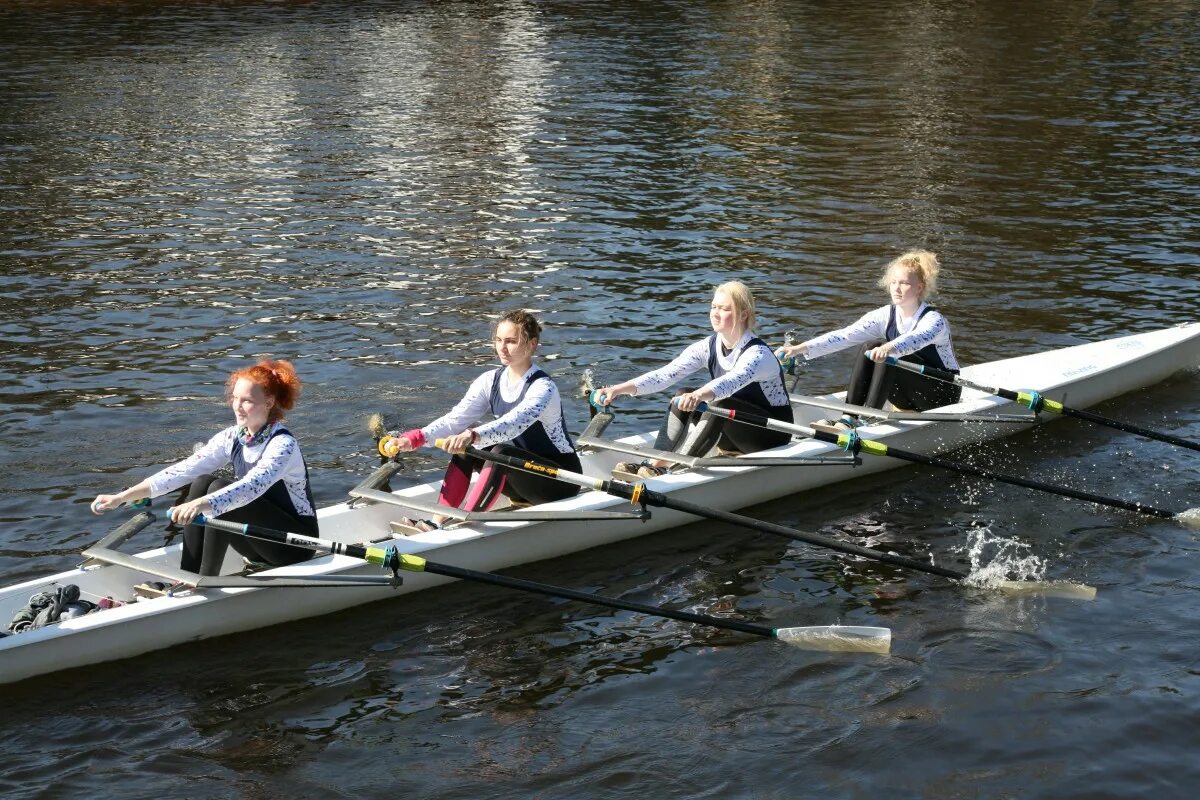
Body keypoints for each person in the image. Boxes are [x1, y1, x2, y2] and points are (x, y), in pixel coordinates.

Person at [92, 359, 317, 576]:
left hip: (295, 546)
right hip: (258, 543)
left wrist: (199, 505)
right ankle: (188, 576)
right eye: (235, 398)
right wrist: (121, 497)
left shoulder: (283, 444)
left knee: (219, 488)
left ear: (269, 403)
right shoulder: (232, 436)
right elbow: (183, 470)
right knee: (201, 481)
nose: (237, 407)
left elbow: (250, 488)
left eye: (247, 400)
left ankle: (206, 581)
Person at [380, 309, 581, 531]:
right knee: (467, 445)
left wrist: (473, 435)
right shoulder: (489, 381)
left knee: (497, 450)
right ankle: (437, 521)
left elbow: (513, 424)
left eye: (511, 341)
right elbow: (455, 420)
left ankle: (465, 521)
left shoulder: (543, 388)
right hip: (524, 478)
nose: (502, 348)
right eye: (498, 340)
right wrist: (416, 438)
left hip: (560, 481)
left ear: (532, 344)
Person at [594, 281, 794, 477]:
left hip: (770, 435)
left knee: (717, 402)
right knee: (682, 395)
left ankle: (674, 468)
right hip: (733, 429)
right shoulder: (708, 346)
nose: (715, 313)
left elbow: (731, 381)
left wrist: (699, 395)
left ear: (743, 315)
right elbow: (665, 374)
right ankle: (656, 463)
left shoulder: (758, 354)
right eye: (713, 307)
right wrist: (618, 389)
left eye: (724, 309)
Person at [776, 250, 961, 417]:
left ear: (919, 288)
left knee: (887, 353)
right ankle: (850, 416)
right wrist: (801, 348)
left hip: (942, 394)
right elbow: (845, 336)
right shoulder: (885, 315)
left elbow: (914, 339)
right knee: (870, 346)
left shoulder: (934, 320)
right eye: (893, 282)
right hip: (909, 392)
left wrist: (890, 347)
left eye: (904, 283)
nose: (896, 288)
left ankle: (868, 416)